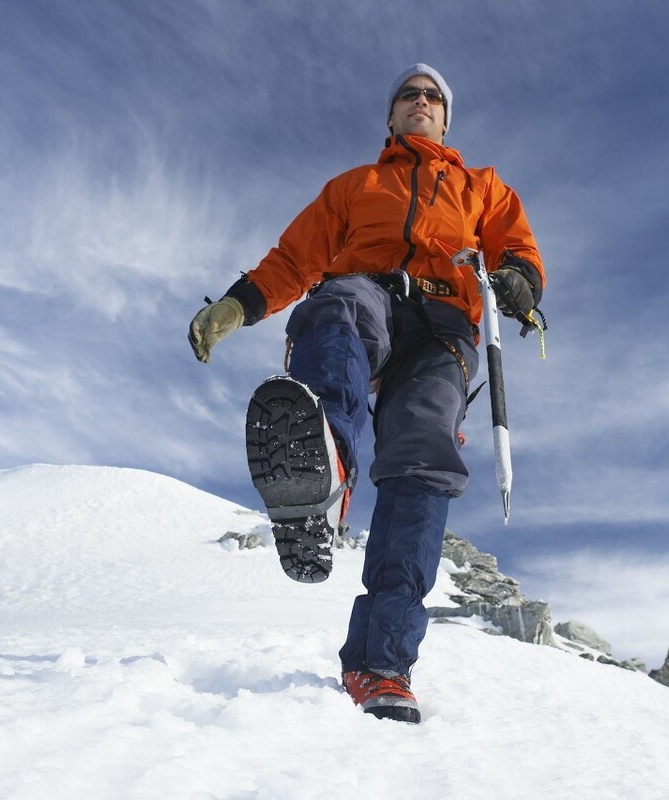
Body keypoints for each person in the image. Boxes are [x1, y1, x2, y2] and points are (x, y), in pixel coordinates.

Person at [188, 64, 544, 724]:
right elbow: (295, 258)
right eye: (408, 95)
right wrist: (238, 305)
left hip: (443, 325)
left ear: (446, 118)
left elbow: (514, 246)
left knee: (424, 457)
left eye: (432, 97)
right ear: (391, 116)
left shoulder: (481, 188)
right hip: (369, 292)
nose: (420, 102)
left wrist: (521, 281)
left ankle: (380, 663)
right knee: (337, 303)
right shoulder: (355, 187)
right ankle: (322, 476)